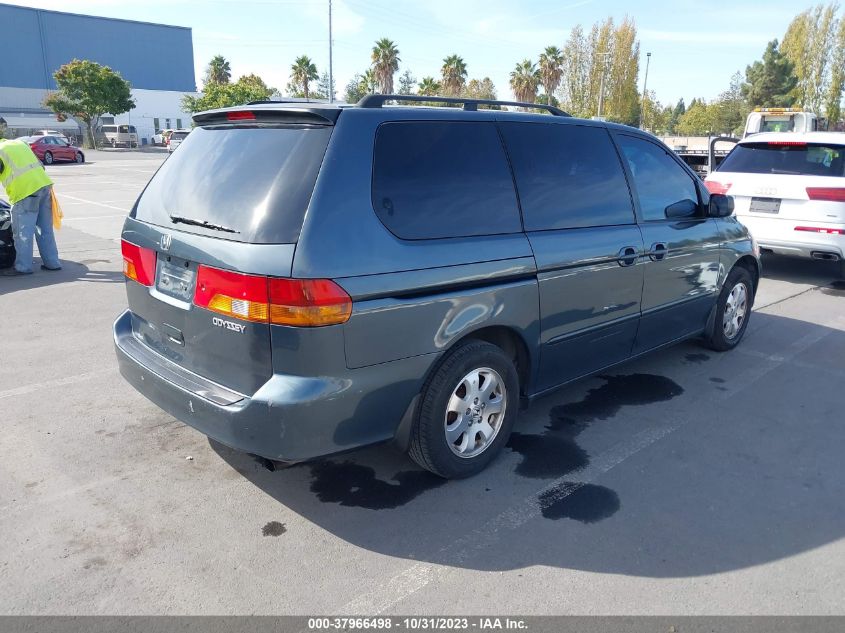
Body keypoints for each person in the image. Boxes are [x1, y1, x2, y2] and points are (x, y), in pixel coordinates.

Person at [0, 134, 61, 276]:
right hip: (45, 186)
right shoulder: (19, 144)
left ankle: (22, 267)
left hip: (25, 192)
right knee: (44, 229)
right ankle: (52, 263)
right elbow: (41, 166)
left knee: (22, 232)